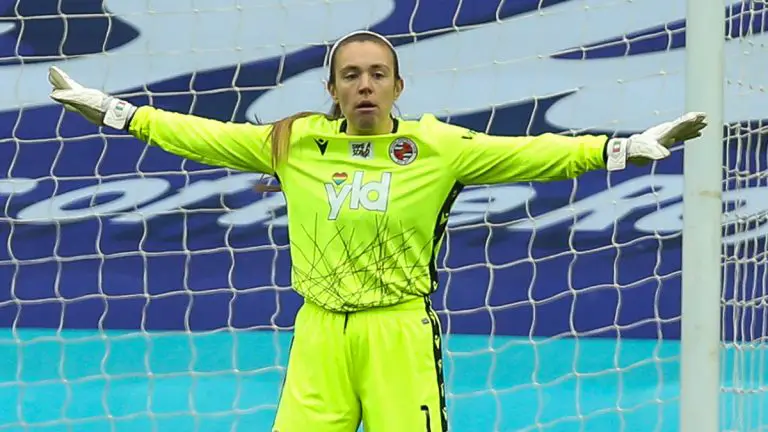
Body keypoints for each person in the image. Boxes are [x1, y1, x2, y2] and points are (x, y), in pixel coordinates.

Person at [47, 30, 707, 432]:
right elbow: (204, 137)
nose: (365, 84)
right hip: (318, 334)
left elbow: (534, 152)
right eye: (351, 75)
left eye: (377, 74)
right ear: (334, 88)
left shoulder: (439, 147)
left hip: (398, 333)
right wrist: (115, 112)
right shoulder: (296, 142)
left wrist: (627, 149)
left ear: (398, 85)